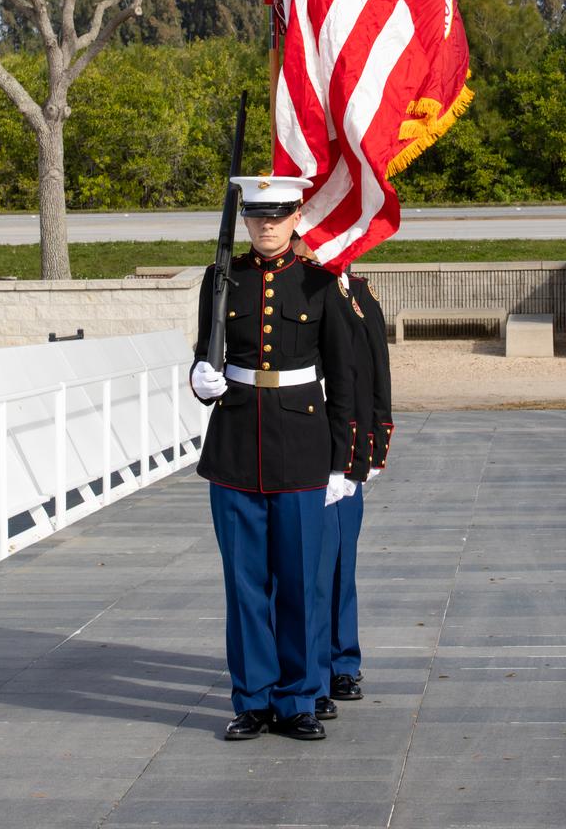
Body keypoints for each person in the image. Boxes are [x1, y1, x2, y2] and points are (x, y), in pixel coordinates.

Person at [190, 175, 356, 742]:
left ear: (294, 219)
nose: (266, 225)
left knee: (302, 581)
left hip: (303, 449)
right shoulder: (220, 279)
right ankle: (253, 700)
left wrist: (342, 462)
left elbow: (343, 376)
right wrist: (200, 379)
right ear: (246, 221)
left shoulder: (319, 283)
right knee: (244, 584)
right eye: (257, 216)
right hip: (235, 446)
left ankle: (299, 698)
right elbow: (203, 356)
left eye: (277, 215)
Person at [293, 239, 392, 719]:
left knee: (339, 567)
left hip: (346, 451)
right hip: (306, 449)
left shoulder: (358, 294)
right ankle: (308, 670)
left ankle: (341, 661)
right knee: (309, 571)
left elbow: (375, 372)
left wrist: (372, 445)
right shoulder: (303, 293)